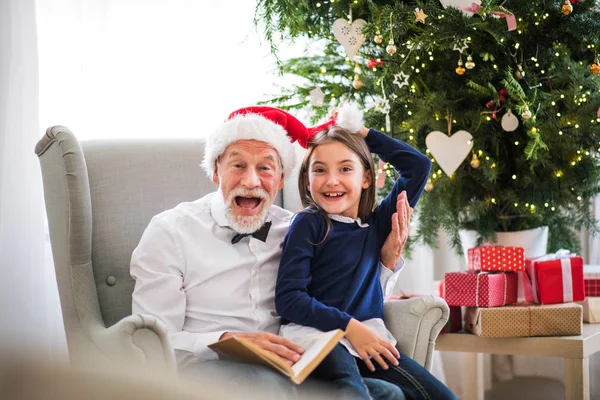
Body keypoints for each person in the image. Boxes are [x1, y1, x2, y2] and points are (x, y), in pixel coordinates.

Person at [130, 105, 408, 399]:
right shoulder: (170, 231)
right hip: (207, 371)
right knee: (270, 387)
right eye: (238, 166)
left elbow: (345, 297)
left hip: (294, 368)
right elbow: (150, 340)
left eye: (265, 168)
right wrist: (225, 339)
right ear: (215, 172)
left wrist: (386, 263)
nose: (251, 182)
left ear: (279, 181)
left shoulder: (297, 229)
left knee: (389, 394)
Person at [275, 105, 458, 400]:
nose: (332, 180)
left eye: (346, 168)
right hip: (320, 339)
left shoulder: (377, 223)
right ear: (307, 180)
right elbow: (289, 300)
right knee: (355, 392)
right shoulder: (308, 224)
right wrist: (349, 327)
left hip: (369, 341)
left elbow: (418, 166)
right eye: (320, 170)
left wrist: (360, 133)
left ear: (366, 179)